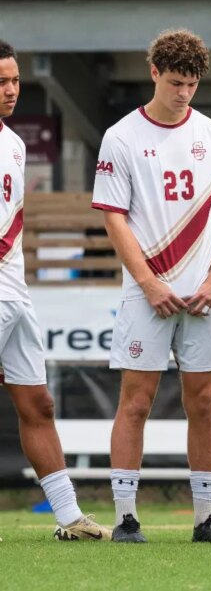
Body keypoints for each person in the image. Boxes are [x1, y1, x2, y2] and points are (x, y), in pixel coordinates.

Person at [93, 29, 211, 544]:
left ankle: (205, 518)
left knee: (204, 401)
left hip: (205, 292)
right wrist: (149, 282)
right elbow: (114, 219)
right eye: (176, 82)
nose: (184, 93)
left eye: (193, 84)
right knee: (135, 400)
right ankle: (126, 517)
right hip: (146, 291)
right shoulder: (121, 137)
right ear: (154, 72)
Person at [0, 39, 109, 541]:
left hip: (15, 289)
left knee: (38, 403)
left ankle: (69, 518)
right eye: (1, 82)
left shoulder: (16, 143)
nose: (10, 90)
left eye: (15, 80)